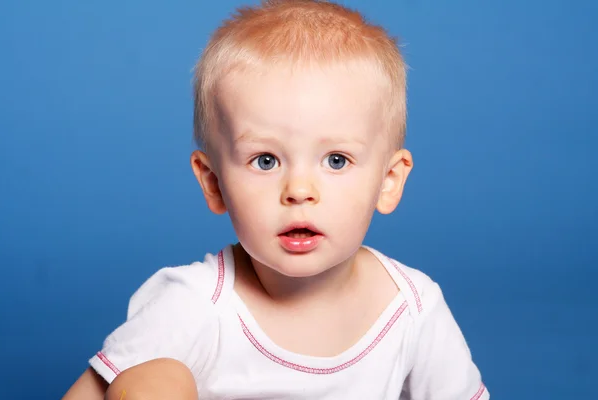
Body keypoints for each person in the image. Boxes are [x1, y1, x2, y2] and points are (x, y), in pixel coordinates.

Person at [63, 1, 489, 399]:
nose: (299, 190)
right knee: (148, 379)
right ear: (213, 183)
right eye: (265, 160)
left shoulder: (412, 308)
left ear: (388, 181)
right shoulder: (196, 305)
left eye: (336, 160)